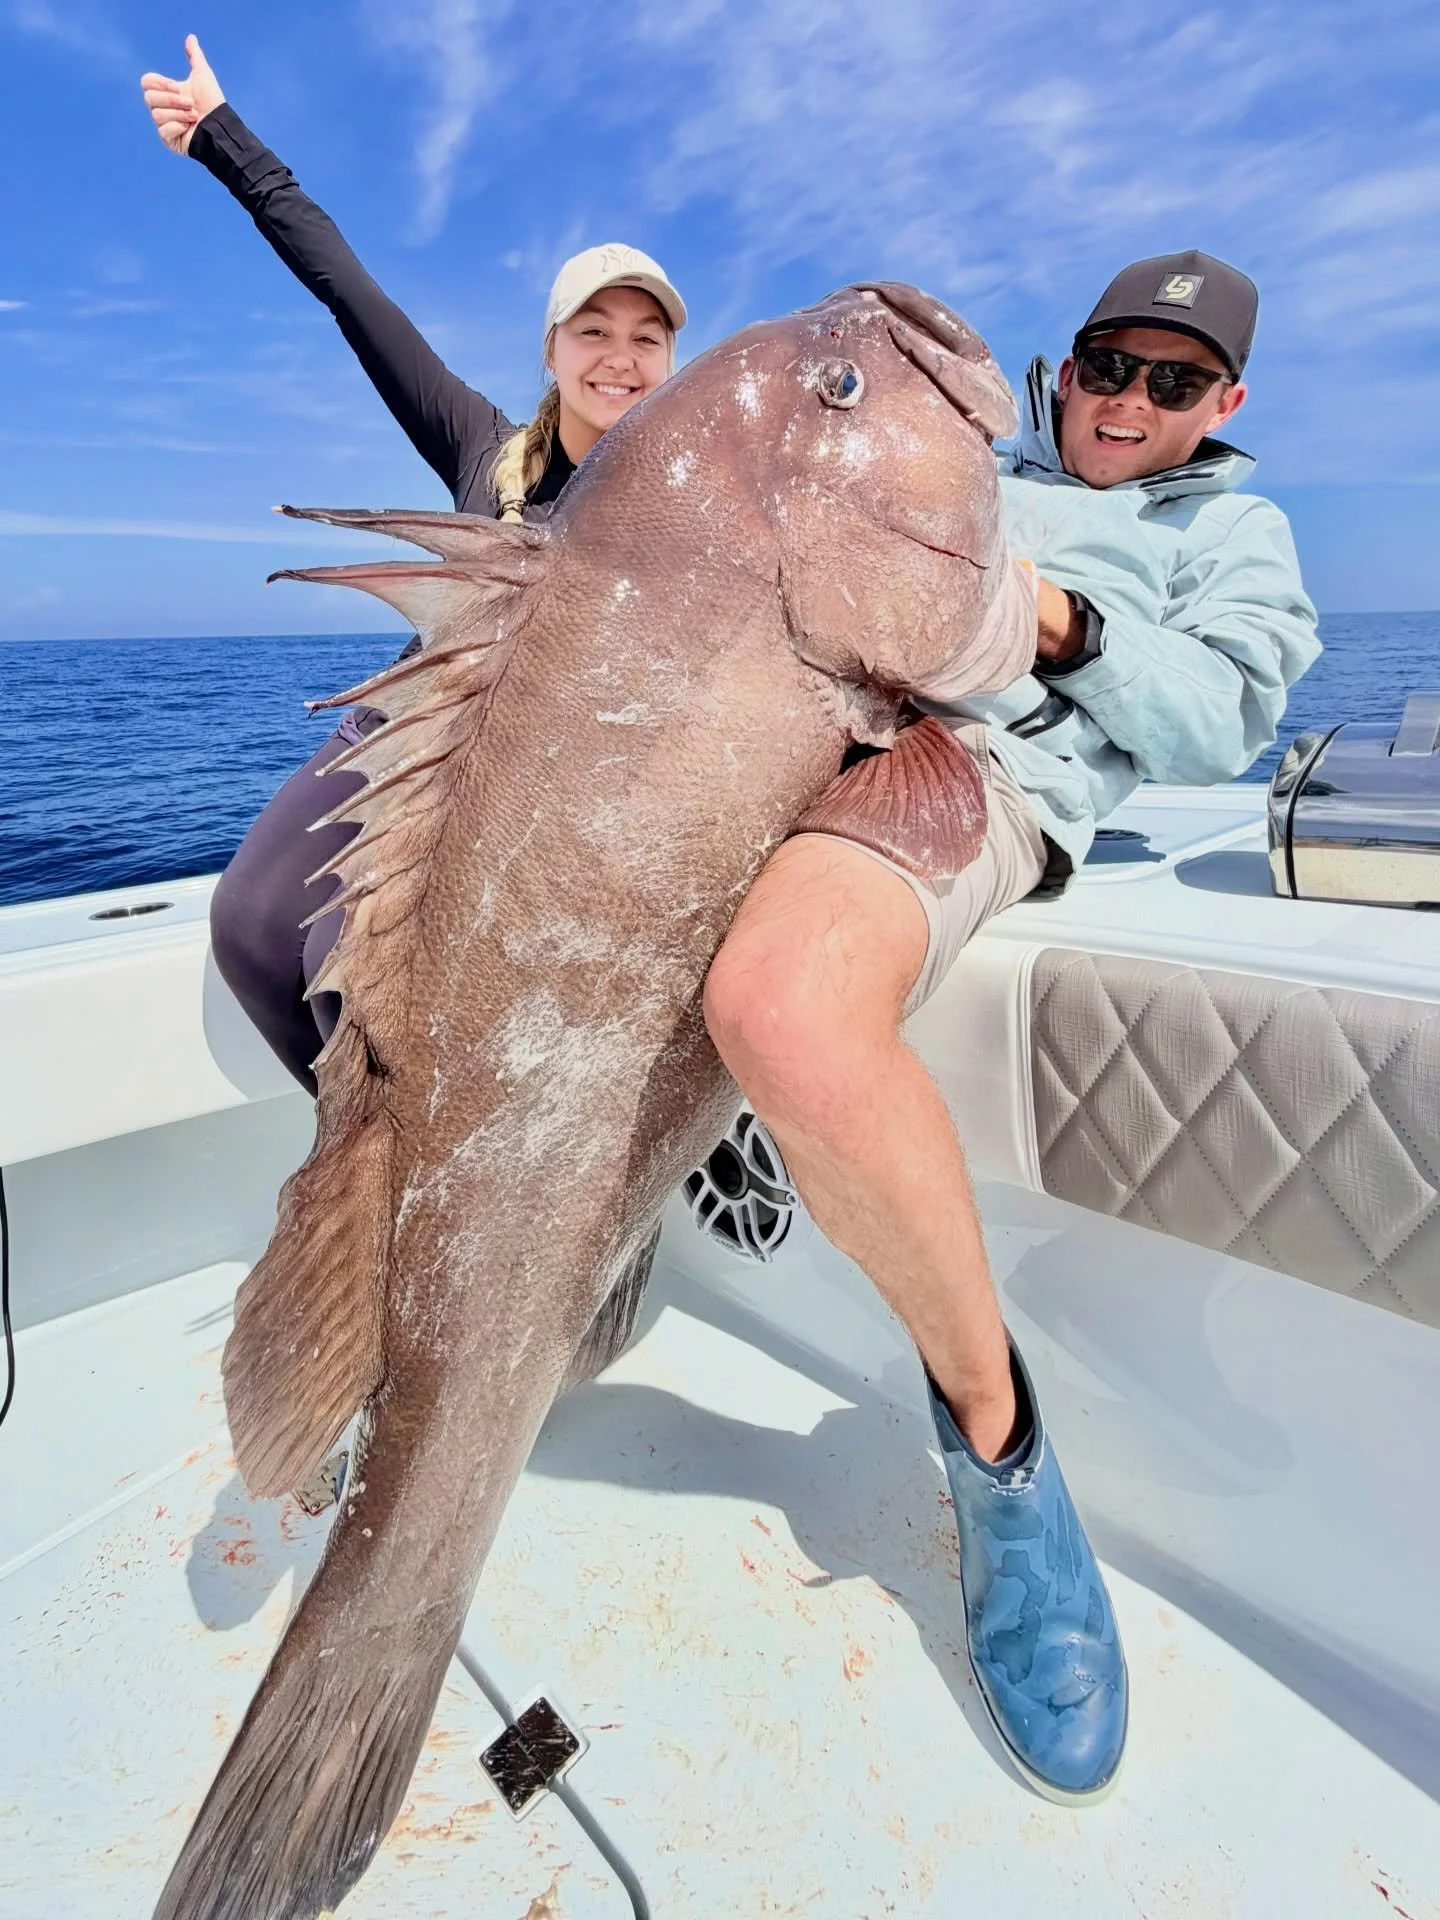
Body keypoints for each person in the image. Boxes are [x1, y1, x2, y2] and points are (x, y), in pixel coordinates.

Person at [701, 250, 1320, 1801]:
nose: (1127, 401)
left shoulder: (1234, 530)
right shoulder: (978, 460)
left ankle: (999, 1451)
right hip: (773, 735)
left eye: (1174, 382)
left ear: (1224, 403)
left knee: (773, 1000)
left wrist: (1054, 620)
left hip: (970, 776)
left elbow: (1229, 726)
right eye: (1110, 364)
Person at [140, 36, 687, 1092]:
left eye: (647, 339)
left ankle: (400, 1168)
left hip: (527, 784)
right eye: (595, 330)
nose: (621, 359)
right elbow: (348, 288)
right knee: (253, 928)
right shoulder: (485, 450)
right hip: (398, 735)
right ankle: (369, 1157)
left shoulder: (685, 515)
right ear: (552, 350)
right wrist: (220, 137)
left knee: (341, 973)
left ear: (671, 364)